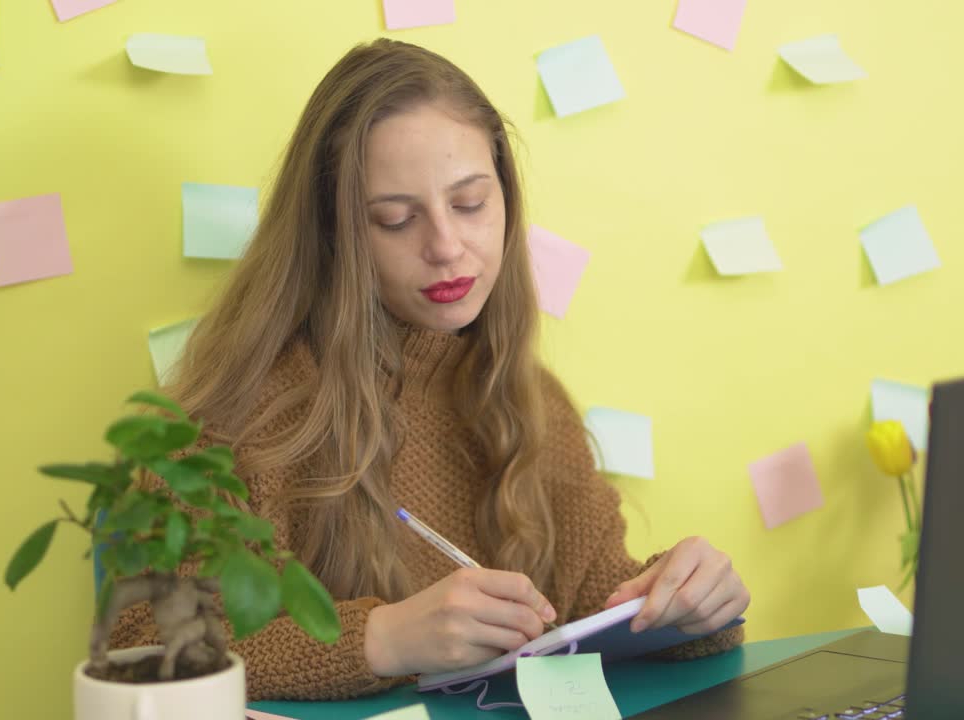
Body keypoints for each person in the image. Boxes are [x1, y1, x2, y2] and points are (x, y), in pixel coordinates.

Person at [111, 37, 750, 701]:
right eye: (393, 219)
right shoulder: (241, 417)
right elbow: (146, 645)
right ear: (332, 236)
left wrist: (686, 606)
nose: (446, 247)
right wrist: (382, 639)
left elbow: (594, 617)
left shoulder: (535, 403)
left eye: (470, 204)